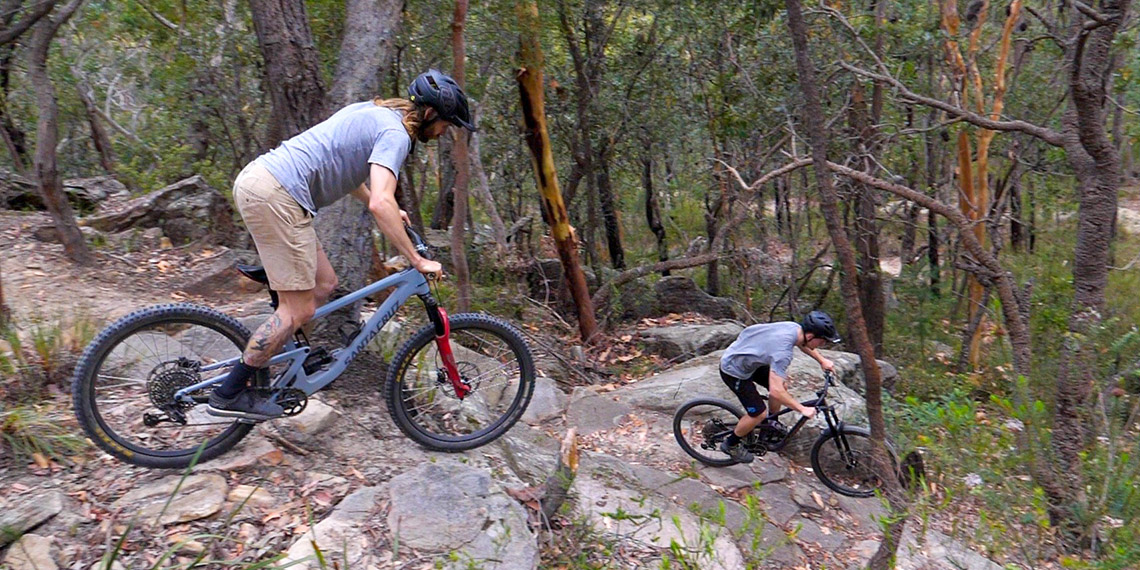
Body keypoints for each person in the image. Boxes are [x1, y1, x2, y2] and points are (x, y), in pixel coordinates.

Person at [207, 69, 475, 420]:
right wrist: (417, 260)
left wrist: (383, 204)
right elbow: (382, 200)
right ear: (429, 114)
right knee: (297, 310)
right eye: (445, 125)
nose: (442, 133)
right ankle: (228, 393)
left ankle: (281, 363)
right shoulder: (396, 134)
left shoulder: (376, 111)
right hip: (278, 195)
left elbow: (346, 168)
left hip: (268, 185)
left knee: (324, 284)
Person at [717, 310, 841, 463]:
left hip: (749, 358)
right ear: (810, 336)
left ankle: (770, 423)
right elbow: (776, 391)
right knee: (759, 413)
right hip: (734, 370)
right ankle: (730, 444)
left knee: (782, 384)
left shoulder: (794, 328)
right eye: (822, 341)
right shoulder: (783, 353)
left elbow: (803, 345)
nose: (822, 344)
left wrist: (822, 360)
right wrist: (802, 409)